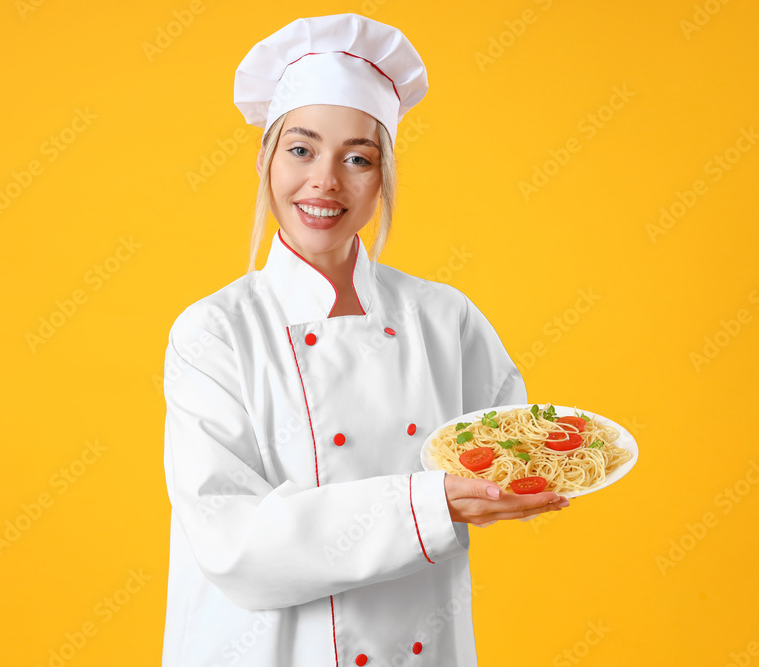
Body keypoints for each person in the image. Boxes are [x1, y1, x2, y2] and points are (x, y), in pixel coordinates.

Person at [161, 13, 570, 666]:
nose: (326, 180)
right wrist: (427, 504)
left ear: (383, 177)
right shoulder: (215, 333)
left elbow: (511, 438)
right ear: (265, 158)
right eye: (301, 149)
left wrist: (538, 467)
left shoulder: (445, 316)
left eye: (358, 157)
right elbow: (235, 544)